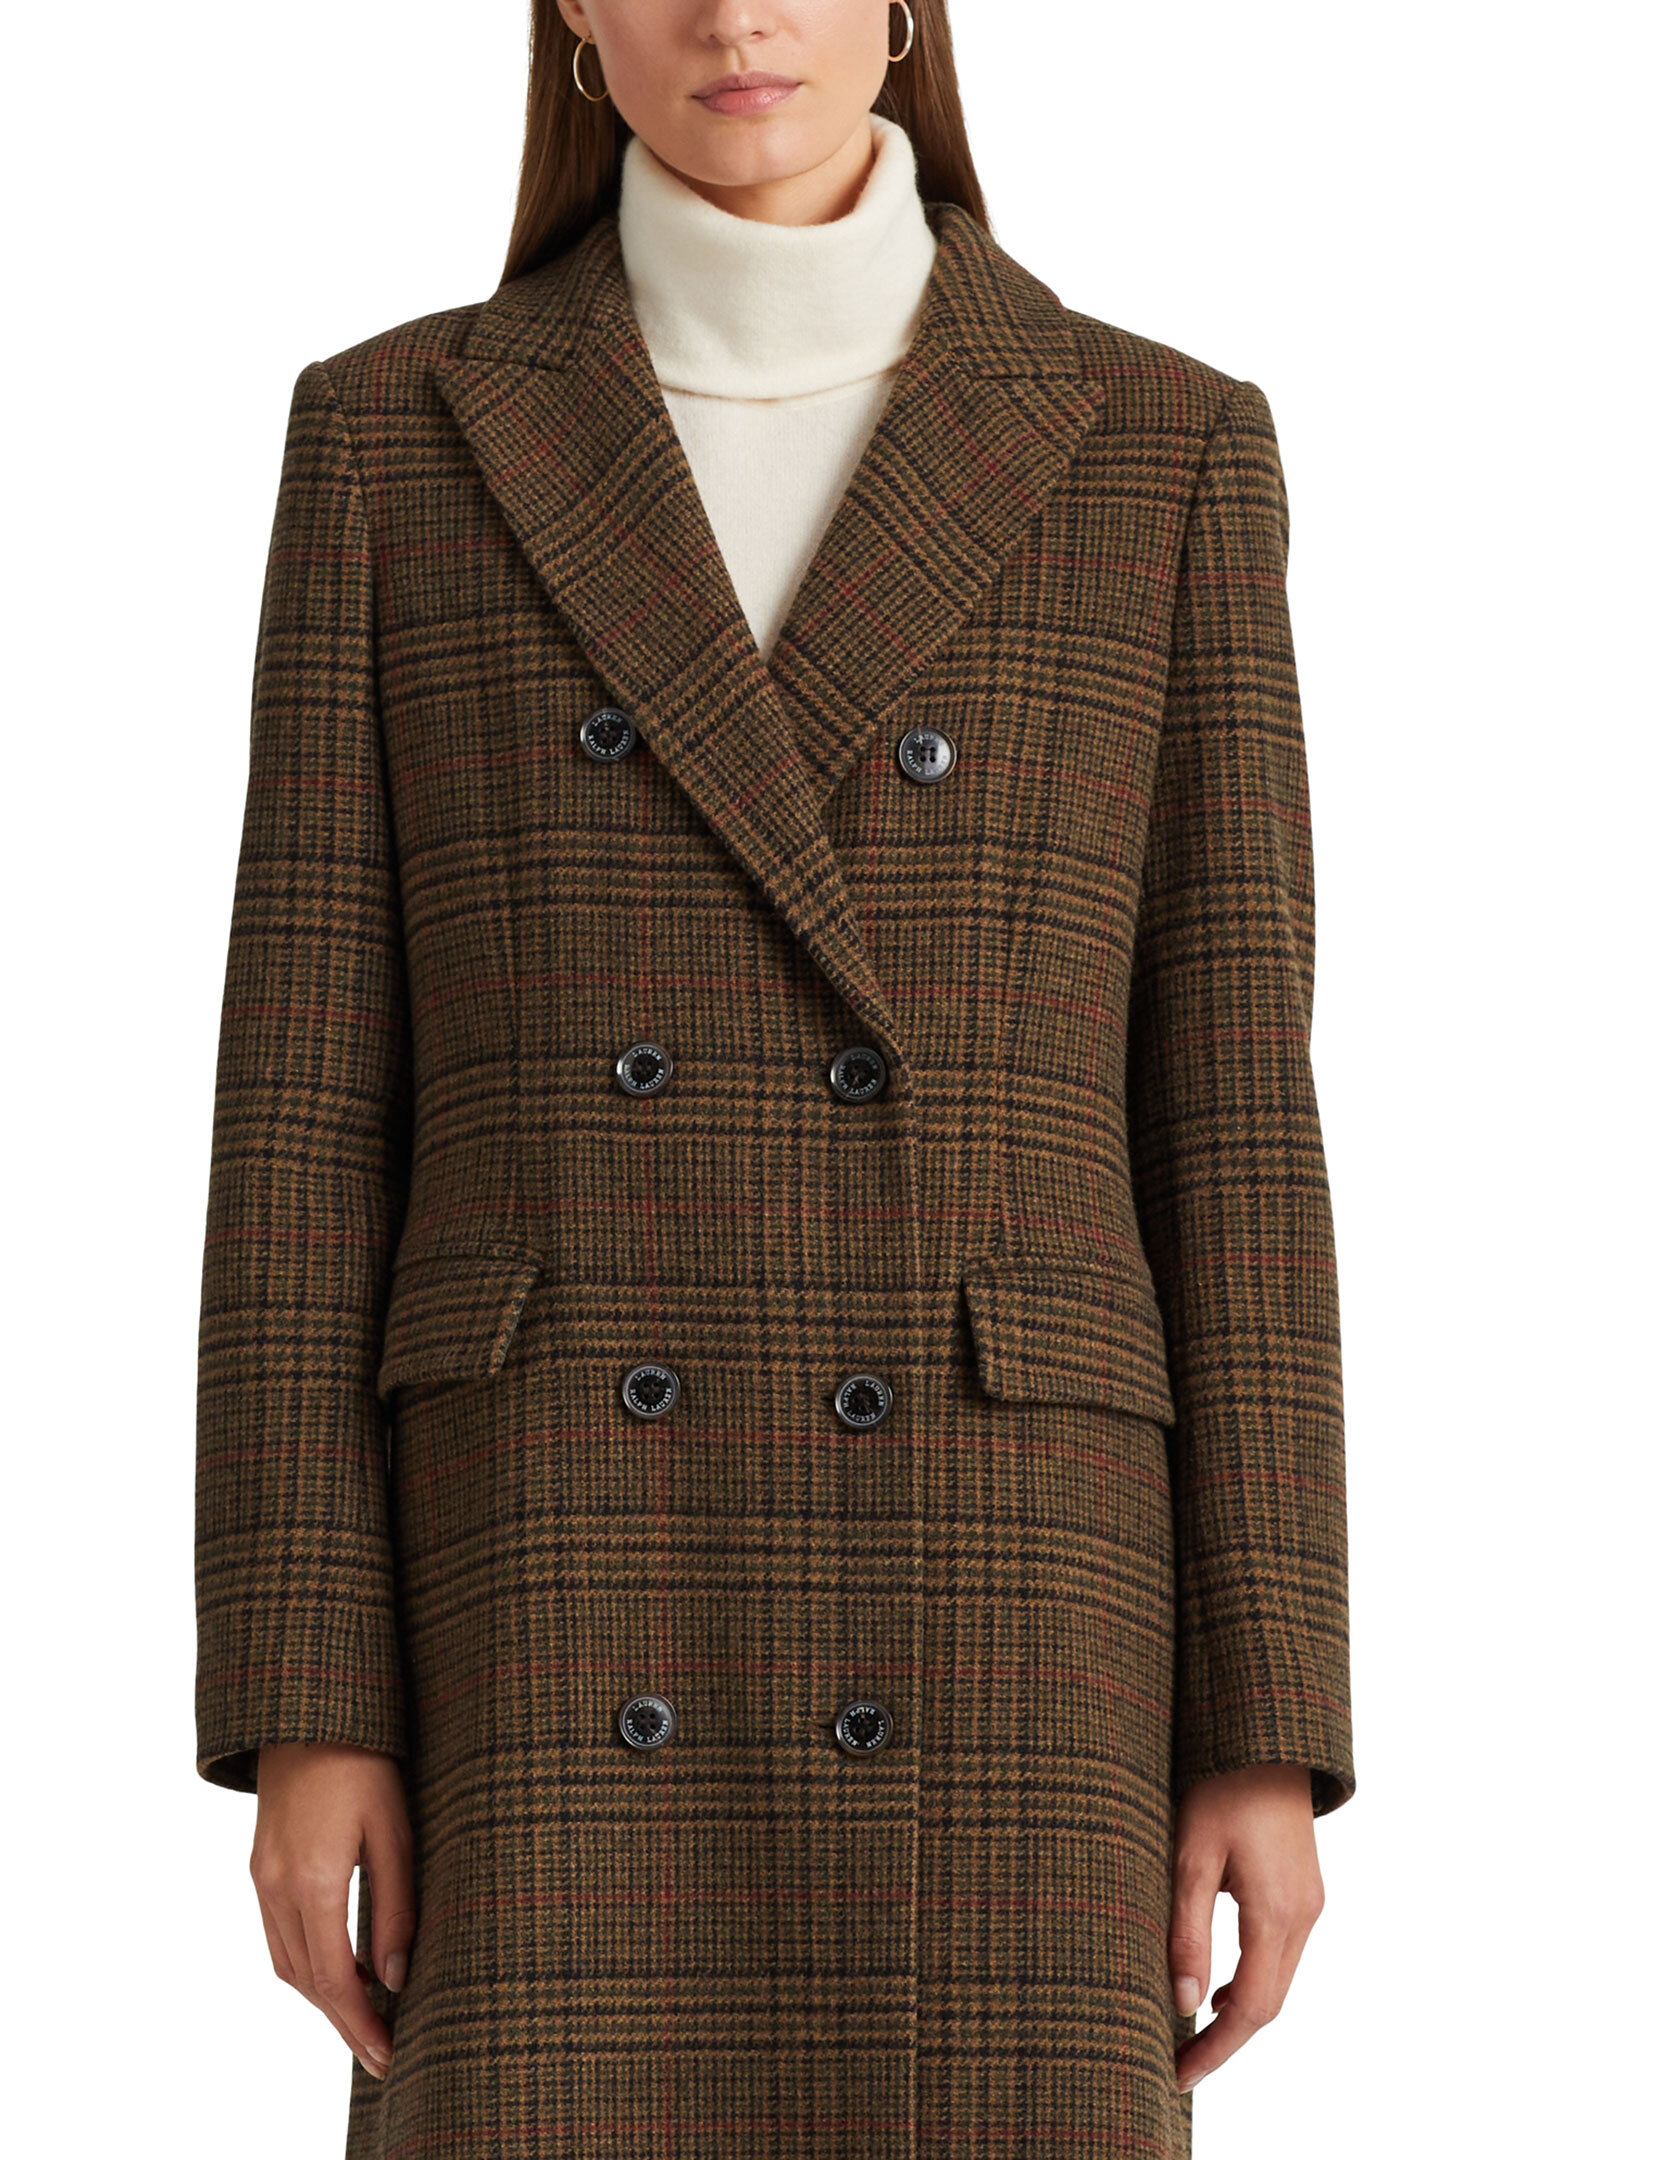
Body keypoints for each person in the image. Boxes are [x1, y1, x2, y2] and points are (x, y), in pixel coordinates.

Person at [193, 4, 1355, 2154]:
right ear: (568, 10)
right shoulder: (393, 435)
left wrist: (1264, 1717)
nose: (738, 16)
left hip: (1009, 1585)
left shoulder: (1159, 443)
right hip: (546, 1567)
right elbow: (303, 1119)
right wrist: (305, 1699)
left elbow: (1232, 1129)